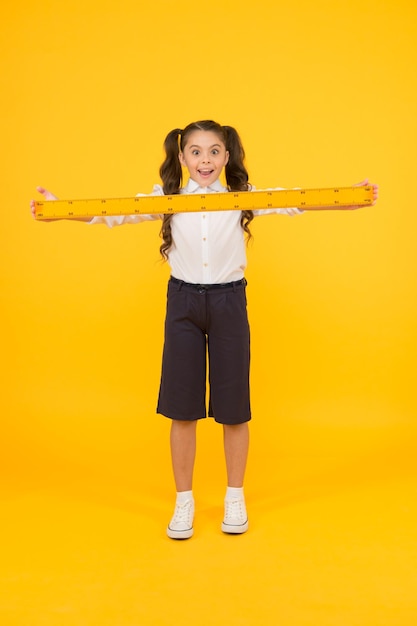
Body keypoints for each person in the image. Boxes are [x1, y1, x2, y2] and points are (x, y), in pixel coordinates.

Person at [31, 119, 378, 540]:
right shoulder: (167, 198)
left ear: (227, 156)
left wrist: (350, 202)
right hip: (184, 304)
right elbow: (114, 214)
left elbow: (296, 202)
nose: (205, 160)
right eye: (195, 152)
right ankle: (184, 501)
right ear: (181, 158)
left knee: (234, 406)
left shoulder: (241, 197)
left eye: (214, 151)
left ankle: (235, 496)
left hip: (230, 302)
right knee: (182, 408)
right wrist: (57, 210)